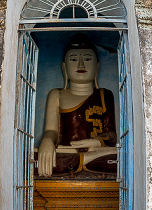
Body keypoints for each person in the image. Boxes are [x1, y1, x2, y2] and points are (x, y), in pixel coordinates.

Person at [37, 34, 118, 177]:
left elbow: (111, 135)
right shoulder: (57, 94)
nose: (81, 65)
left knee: (121, 157)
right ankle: (83, 160)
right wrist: (47, 141)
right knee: (33, 158)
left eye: (87, 59)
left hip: (97, 151)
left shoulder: (105, 95)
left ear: (97, 66)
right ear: (64, 67)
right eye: (74, 59)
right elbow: (51, 130)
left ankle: (82, 160)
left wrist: (96, 142)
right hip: (67, 151)